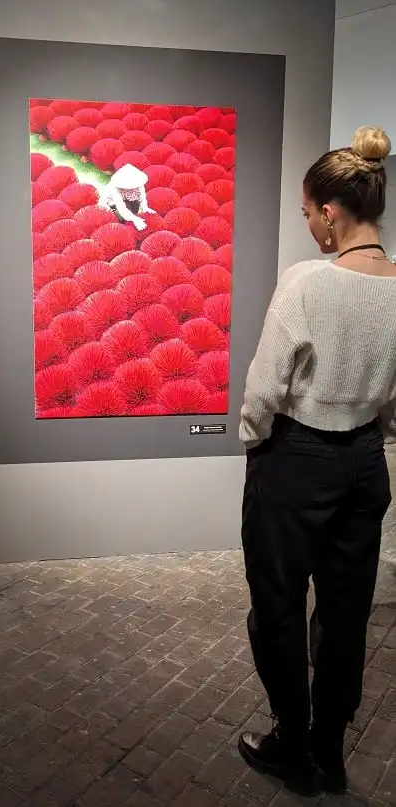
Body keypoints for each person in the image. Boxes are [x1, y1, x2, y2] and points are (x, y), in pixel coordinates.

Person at [237, 126, 396, 796]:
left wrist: (253, 439)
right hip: (364, 462)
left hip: (295, 458)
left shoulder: (305, 282)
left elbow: (263, 387)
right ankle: (329, 749)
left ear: (330, 212)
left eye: (306, 213)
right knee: (344, 610)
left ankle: (288, 744)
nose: (306, 225)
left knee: (276, 607)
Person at [103, 163, 156, 231]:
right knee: (121, 216)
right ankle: (124, 225)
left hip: (129, 199)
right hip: (114, 201)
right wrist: (134, 219)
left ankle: (133, 220)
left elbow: (142, 197)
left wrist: (145, 207)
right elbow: (121, 206)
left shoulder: (138, 183)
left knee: (135, 210)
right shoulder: (114, 188)